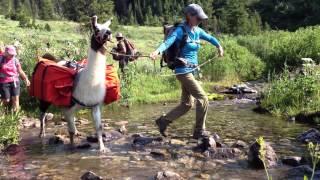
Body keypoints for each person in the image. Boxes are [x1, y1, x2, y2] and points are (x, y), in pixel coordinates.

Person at [150, 4, 224, 139]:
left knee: (187, 104)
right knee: (203, 98)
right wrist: (157, 51)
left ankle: (163, 121)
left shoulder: (197, 31)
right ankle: (199, 131)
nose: (200, 20)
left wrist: (219, 46)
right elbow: (167, 43)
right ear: (189, 16)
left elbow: (210, 37)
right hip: (182, 71)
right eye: (198, 18)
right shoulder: (179, 30)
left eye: (201, 18)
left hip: (192, 69)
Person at [0, 45, 30, 111]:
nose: (12, 55)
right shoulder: (1, 59)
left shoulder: (15, 60)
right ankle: (3, 113)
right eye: (11, 54)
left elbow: (20, 70)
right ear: (6, 53)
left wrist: (26, 79)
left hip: (15, 81)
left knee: (16, 100)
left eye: (13, 54)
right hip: (4, 82)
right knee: (6, 100)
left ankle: (15, 118)